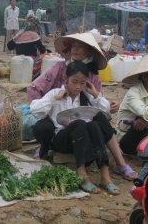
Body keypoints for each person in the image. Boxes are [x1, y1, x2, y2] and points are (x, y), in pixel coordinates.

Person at [29, 33, 136, 180]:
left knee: (99, 118)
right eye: (73, 45)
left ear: (89, 51)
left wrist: (107, 104)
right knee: (43, 127)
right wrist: (49, 107)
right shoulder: (60, 67)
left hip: (83, 121)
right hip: (56, 116)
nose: (75, 49)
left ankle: (120, 163)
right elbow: (34, 89)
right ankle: (46, 147)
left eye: (80, 47)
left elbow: (99, 103)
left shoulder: (92, 74)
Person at [31, 61, 119, 195]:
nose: (78, 87)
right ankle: (82, 174)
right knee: (79, 123)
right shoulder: (55, 93)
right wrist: (55, 98)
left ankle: (105, 176)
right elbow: (35, 110)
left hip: (83, 141)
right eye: (75, 82)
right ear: (66, 79)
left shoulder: (87, 96)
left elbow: (106, 114)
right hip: (61, 139)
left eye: (82, 83)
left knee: (94, 124)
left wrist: (95, 94)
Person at [118, 56, 148, 155]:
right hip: (128, 137)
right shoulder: (133, 92)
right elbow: (143, 112)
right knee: (140, 123)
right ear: (145, 77)